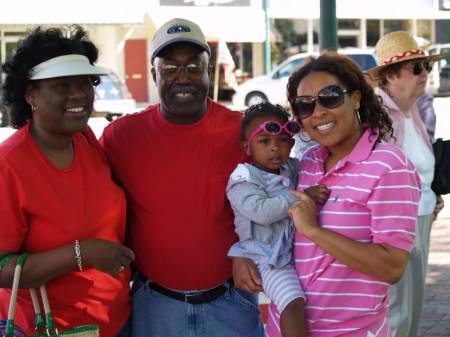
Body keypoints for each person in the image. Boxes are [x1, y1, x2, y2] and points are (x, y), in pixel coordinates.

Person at [234, 51, 422, 337]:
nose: (318, 112)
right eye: (305, 105)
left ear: (356, 99)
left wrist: (313, 230)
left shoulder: (389, 166)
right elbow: (271, 221)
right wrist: (245, 255)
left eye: (330, 97)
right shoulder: (306, 162)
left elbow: (392, 266)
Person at [99, 18, 264, 337]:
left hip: (232, 303)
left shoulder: (244, 132)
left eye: (193, 66)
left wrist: (250, 251)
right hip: (154, 306)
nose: (182, 78)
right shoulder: (121, 137)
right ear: (153, 75)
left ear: (209, 71)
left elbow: (276, 198)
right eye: (170, 68)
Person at [0, 25, 135, 337]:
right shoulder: (10, 165)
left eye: (85, 83)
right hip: (50, 328)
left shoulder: (86, 139)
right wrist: (82, 253)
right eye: (62, 85)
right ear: (30, 93)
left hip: (117, 320)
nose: (78, 95)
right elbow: (3, 270)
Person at [227, 101, 330, 337]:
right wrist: (305, 198)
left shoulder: (291, 167)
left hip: (293, 255)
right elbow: (261, 212)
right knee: (293, 303)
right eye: (264, 141)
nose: (275, 148)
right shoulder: (243, 178)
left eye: (282, 141)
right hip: (267, 259)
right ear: (247, 146)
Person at [366, 31, 445, 337]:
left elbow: (420, 171)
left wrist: (432, 194)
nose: (424, 73)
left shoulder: (414, 112)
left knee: (411, 313)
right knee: (396, 315)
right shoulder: (378, 115)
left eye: (426, 66)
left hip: (421, 220)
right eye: (416, 67)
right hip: (393, 227)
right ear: (389, 76)